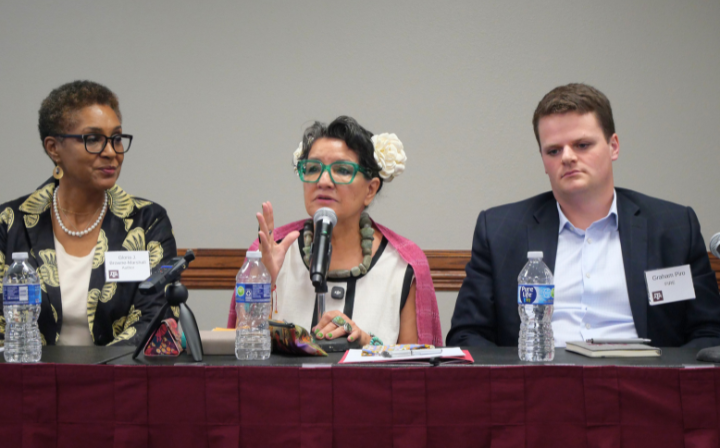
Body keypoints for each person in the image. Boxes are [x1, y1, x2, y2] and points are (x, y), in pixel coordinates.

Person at [447, 83, 720, 348]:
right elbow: (467, 335)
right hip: (540, 385)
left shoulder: (672, 227)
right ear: (543, 160)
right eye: (553, 150)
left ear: (613, 146)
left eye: (582, 145)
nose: (567, 157)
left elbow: (708, 331)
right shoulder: (499, 231)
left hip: (645, 384)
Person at [227, 116, 442, 346]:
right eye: (312, 168)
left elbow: (415, 373)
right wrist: (263, 283)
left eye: (341, 169)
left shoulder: (403, 265)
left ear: (370, 189)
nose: (324, 180)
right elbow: (240, 357)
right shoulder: (271, 250)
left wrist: (367, 343)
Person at [0, 80, 177, 347]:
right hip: (30, 383)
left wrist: (96, 378)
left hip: (117, 381)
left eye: (116, 138)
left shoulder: (147, 222)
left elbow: (156, 315)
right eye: (93, 139)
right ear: (53, 148)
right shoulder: (9, 223)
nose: (111, 152)